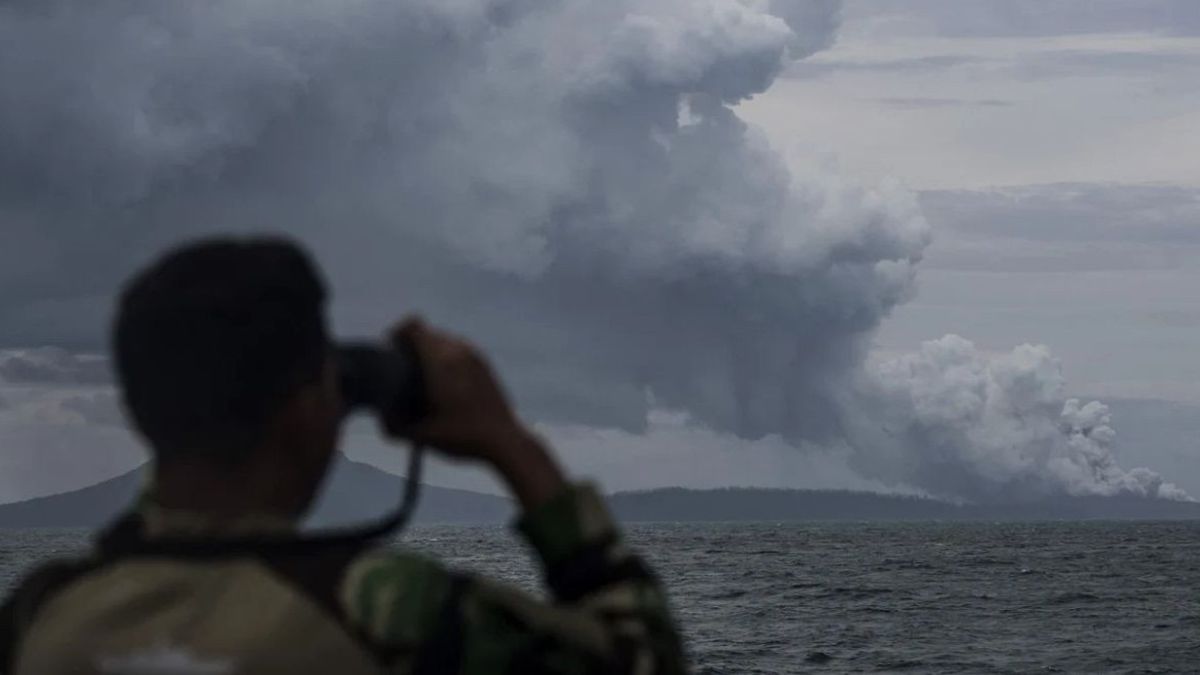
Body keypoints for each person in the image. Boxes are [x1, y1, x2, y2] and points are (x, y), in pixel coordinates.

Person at [0, 238, 688, 674]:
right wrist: (511, 442)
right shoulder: (390, 612)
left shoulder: (40, 614)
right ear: (308, 413)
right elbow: (643, 655)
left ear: (139, 412)